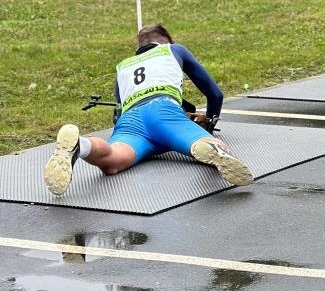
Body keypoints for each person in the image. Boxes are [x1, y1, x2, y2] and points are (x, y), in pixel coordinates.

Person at [43, 23, 253, 196]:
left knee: (113, 161)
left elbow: (118, 113)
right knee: (205, 142)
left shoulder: (123, 66)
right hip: (164, 111)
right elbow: (214, 94)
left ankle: (82, 145)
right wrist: (209, 122)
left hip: (131, 121)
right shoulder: (174, 50)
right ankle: (211, 147)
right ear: (166, 41)